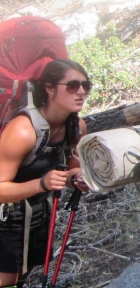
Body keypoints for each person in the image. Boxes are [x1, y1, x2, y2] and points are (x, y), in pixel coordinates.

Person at [0, 59, 91, 287]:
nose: (80, 92)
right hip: (6, 215)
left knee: (23, 272)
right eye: (71, 86)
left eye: (85, 85)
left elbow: (70, 166)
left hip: (39, 212)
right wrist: (42, 184)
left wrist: (76, 178)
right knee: (5, 278)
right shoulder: (23, 130)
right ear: (49, 88)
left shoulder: (76, 126)